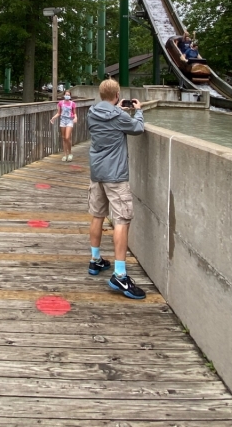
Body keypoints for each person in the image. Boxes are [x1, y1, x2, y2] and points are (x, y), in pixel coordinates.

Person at [86, 79, 146, 300]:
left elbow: (106, 120)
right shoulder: (119, 116)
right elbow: (138, 128)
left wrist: (116, 110)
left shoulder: (91, 112)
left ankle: (95, 260)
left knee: (97, 215)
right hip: (115, 175)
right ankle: (120, 275)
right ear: (118, 94)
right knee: (122, 219)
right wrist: (137, 112)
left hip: (97, 172)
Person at [50, 90, 78, 161]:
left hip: (69, 120)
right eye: (66, 94)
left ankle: (70, 153)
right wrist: (53, 118)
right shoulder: (60, 103)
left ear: (70, 96)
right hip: (63, 120)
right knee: (63, 138)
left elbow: (74, 113)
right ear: (64, 95)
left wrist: (75, 117)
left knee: (67, 137)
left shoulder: (73, 104)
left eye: (68, 95)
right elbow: (59, 113)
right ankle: (65, 155)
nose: (67, 96)